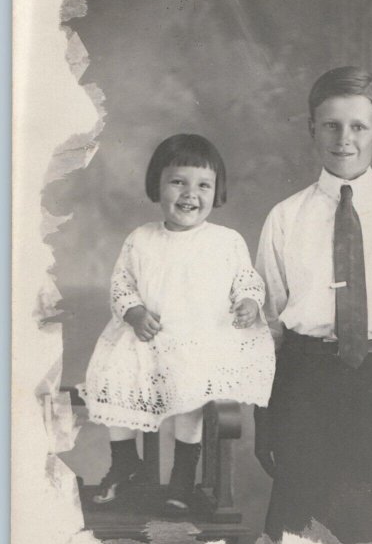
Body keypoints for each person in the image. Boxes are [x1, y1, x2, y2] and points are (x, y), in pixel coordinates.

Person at [254, 66, 372, 544]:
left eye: (358, 126)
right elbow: (264, 328)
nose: (345, 138)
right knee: (299, 531)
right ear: (312, 130)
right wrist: (265, 418)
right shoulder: (284, 217)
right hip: (303, 384)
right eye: (332, 125)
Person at [80, 133, 275, 509]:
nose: (190, 194)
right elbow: (122, 283)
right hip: (146, 340)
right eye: (178, 182)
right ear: (157, 185)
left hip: (199, 343)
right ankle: (125, 462)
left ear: (217, 192)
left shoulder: (226, 241)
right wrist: (134, 311)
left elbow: (247, 280)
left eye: (203, 185)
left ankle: (184, 473)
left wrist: (249, 301)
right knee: (111, 379)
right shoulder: (141, 239)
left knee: (192, 396)